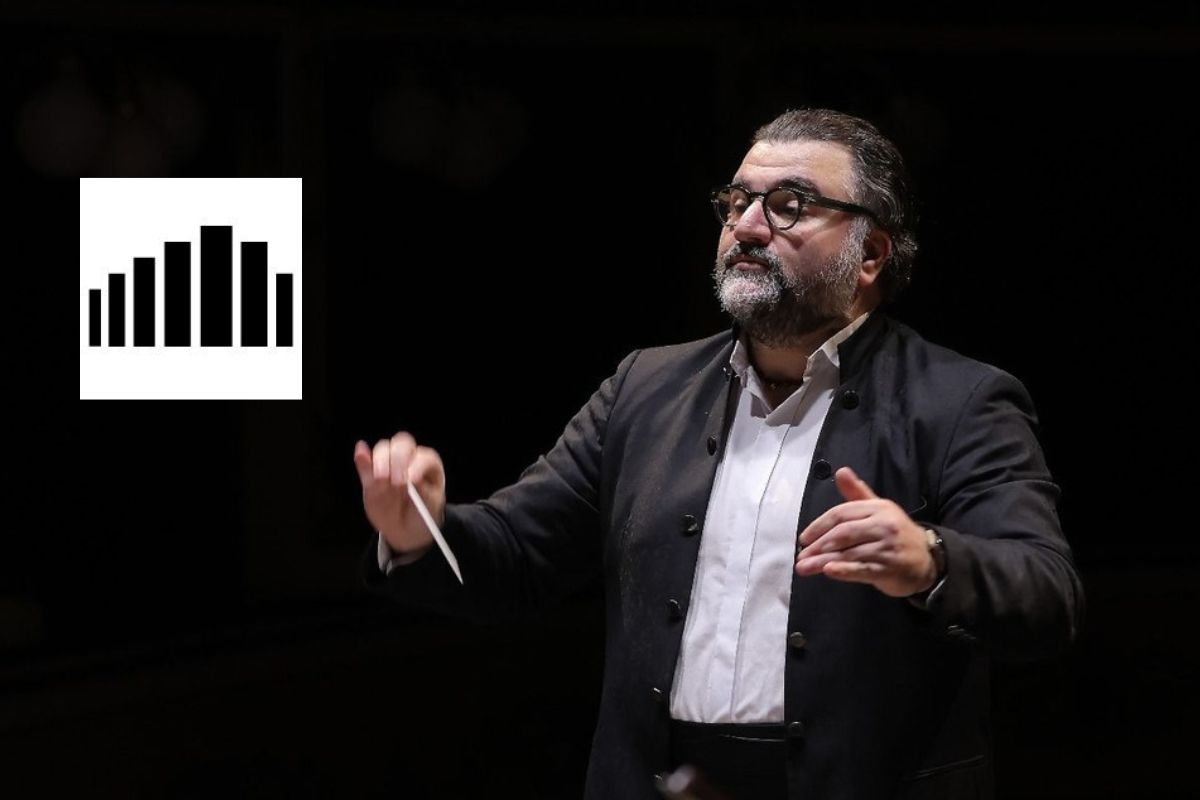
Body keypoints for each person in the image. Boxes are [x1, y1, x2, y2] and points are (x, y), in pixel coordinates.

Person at [354, 107, 1084, 800]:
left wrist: (931, 559)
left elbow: (1046, 596)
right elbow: (516, 556)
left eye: (790, 205)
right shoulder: (645, 388)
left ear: (870, 254)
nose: (749, 226)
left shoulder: (959, 401)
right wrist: (417, 529)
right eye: (737, 203)